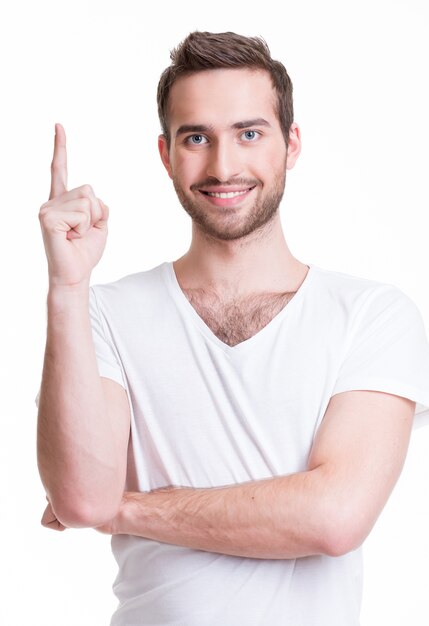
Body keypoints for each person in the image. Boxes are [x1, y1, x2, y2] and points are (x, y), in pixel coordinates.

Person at [36, 31, 429, 626]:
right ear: (167, 154)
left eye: (250, 133)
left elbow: (334, 518)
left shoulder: (372, 316)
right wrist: (67, 288)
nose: (224, 167)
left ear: (290, 144)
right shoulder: (104, 312)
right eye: (198, 138)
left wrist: (129, 510)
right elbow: (83, 496)